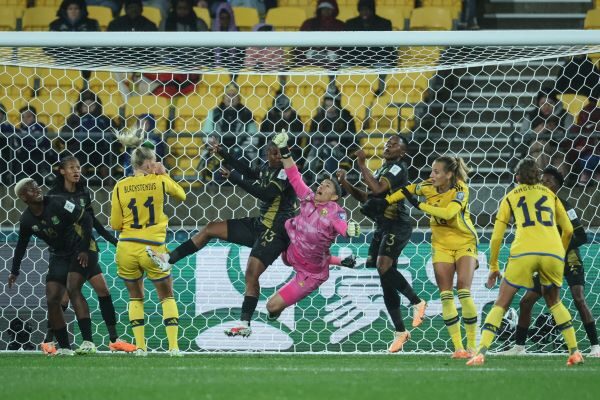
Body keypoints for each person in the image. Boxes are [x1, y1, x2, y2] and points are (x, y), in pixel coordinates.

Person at [147, 140, 298, 337]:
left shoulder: (286, 172)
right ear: (268, 153)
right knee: (210, 228)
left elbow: (265, 194)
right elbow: (249, 171)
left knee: (251, 274)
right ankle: (168, 259)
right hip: (259, 224)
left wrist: (234, 178)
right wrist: (223, 153)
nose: (278, 157)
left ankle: (244, 323)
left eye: (281, 153)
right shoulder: (266, 167)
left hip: (276, 231)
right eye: (274, 153)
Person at [466, 158, 583, 367]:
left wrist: (494, 266)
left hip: (524, 252)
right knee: (554, 302)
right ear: (538, 176)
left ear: (517, 177)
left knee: (502, 302)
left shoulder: (510, 197)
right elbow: (568, 230)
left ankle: (481, 352)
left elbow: (497, 237)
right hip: (553, 252)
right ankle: (574, 352)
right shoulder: (550, 195)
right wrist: (559, 253)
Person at [362, 156, 479, 358]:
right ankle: (458, 349)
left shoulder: (461, 189)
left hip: (464, 242)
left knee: (463, 292)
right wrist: (387, 201)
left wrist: (419, 206)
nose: (431, 175)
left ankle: (472, 346)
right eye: (431, 170)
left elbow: (449, 213)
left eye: (436, 172)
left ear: (449, 174)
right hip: (441, 245)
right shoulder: (427, 186)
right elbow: (406, 190)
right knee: (446, 295)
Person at [337, 135, 427, 353]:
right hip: (382, 227)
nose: (388, 145)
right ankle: (400, 332)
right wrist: (345, 183)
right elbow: (367, 197)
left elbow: (378, 190)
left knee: (383, 266)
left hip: (397, 224)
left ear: (402, 152)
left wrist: (361, 164)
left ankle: (417, 302)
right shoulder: (381, 170)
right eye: (388, 143)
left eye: (395, 144)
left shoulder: (398, 169)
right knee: (386, 280)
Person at [499, 166, 599, 357]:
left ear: (556, 186)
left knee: (578, 298)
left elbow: (581, 236)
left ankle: (596, 346)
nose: (543, 183)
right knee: (526, 302)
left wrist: (558, 248)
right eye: (542, 180)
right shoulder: (534, 205)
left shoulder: (564, 205)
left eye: (548, 181)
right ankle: (519, 347)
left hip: (568, 258)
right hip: (548, 261)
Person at [40, 156, 136, 354]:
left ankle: (114, 340)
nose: (76, 171)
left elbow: (92, 221)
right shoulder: (54, 196)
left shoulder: (83, 192)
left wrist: (114, 240)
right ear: (62, 171)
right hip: (68, 252)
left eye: (78, 167)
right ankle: (50, 341)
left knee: (102, 291)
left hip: (87, 248)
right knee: (66, 297)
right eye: (71, 168)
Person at [265, 130, 360, 319]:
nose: (321, 186)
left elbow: (341, 225)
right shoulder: (308, 198)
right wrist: (284, 149)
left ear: (334, 197)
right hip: (290, 251)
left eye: (327, 185)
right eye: (321, 183)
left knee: (271, 306)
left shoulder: (335, 211)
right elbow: (294, 176)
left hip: (309, 274)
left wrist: (348, 230)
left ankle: (276, 312)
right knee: (278, 224)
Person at [110, 145, 186, 356]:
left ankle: (141, 347)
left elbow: (115, 224)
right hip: (153, 248)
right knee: (166, 296)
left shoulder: (120, 186)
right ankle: (173, 347)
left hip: (126, 247)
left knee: (135, 297)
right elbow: (181, 195)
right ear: (150, 163)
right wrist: (164, 174)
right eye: (155, 161)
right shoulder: (159, 181)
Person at [8, 178, 94, 356]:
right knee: (52, 298)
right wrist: (14, 271)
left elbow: (86, 218)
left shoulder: (58, 202)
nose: (37, 189)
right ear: (23, 197)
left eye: (36, 185)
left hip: (78, 250)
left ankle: (88, 342)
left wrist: (85, 248)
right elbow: (21, 246)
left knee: (73, 289)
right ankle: (64, 348)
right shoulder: (26, 220)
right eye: (31, 188)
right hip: (58, 255)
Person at [201, 82, 258, 181]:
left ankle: (239, 182)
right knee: (217, 162)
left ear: (239, 98)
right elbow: (206, 135)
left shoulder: (246, 113)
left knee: (239, 160)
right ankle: (217, 181)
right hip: (218, 151)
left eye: (234, 95)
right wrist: (218, 147)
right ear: (223, 98)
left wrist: (237, 150)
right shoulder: (214, 113)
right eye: (228, 95)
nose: (231, 98)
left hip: (241, 152)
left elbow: (254, 138)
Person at [306, 91, 356, 183]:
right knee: (317, 149)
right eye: (327, 103)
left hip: (341, 150)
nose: (329, 106)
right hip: (319, 149)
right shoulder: (318, 117)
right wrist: (325, 143)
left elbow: (352, 140)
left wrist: (339, 143)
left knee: (328, 149)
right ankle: (307, 178)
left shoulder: (346, 117)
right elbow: (310, 139)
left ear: (337, 103)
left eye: (332, 103)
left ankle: (331, 180)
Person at [519, 89, 572, 175]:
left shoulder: (565, 115)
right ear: (538, 103)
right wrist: (536, 131)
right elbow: (522, 136)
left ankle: (540, 180)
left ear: (556, 103)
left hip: (557, 151)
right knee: (540, 147)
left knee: (560, 166)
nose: (546, 107)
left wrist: (555, 131)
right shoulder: (531, 115)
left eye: (550, 103)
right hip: (534, 151)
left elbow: (570, 137)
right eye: (542, 103)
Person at [63, 90, 113, 180]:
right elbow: (64, 137)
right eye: (85, 106)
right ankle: (78, 185)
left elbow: (114, 136)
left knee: (106, 162)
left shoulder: (104, 119)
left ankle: (108, 185)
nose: (88, 108)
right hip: (81, 150)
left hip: (101, 149)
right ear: (80, 107)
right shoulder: (75, 119)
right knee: (79, 161)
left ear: (97, 106)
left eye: (92, 105)